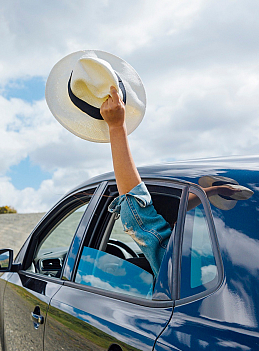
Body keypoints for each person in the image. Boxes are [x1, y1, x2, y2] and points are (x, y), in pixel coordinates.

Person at [100, 86, 239, 277]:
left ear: (172, 225)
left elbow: (137, 214)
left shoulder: (178, 266)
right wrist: (212, 191)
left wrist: (116, 127)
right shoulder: (232, 259)